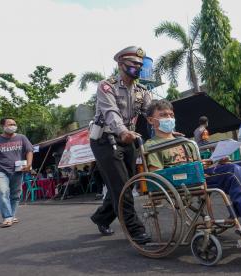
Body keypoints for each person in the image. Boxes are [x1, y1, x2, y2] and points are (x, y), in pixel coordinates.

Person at [145, 100, 241, 256]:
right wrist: (193, 170)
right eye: (163, 115)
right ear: (151, 120)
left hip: (201, 172)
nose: (169, 118)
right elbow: (157, 174)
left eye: (171, 115)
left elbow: (197, 163)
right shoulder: (152, 145)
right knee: (232, 172)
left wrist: (215, 160)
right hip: (183, 180)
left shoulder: (185, 142)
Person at [89, 45, 151, 243]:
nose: (137, 67)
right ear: (120, 63)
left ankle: (102, 217)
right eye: (133, 63)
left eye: (140, 64)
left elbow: (151, 113)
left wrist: (166, 128)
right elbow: (111, 113)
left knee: (125, 183)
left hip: (128, 139)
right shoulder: (107, 86)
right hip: (105, 140)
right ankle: (134, 229)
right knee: (121, 185)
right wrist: (123, 131)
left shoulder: (142, 91)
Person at [0, 118, 33, 228]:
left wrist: (29, 164)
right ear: (2, 126)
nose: (13, 126)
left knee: (15, 194)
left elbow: (29, 151)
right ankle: (7, 217)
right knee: (2, 192)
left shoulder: (22, 138)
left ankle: (12, 215)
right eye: (10, 124)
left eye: (14, 124)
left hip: (17, 171)